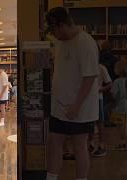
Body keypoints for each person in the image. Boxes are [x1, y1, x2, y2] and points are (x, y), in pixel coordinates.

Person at [46, 7, 99, 180]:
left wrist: (77, 105)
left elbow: (90, 77)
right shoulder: (61, 42)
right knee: (55, 142)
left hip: (80, 109)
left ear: (61, 25)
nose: (54, 35)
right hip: (59, 106)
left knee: (79, 146)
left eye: (54, 30)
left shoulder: (86, 42)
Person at [89, 63, 112, 157]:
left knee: (100, 122)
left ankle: (101, 145)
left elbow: (109, 83)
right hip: (86, 99)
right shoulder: (85, 66)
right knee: (89, 121)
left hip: (98, 98)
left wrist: (100, 89)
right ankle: (91, 143)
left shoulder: (101, 68)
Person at [99, 41, 118, 127]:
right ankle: (107, 121)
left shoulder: (98, 57)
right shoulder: (114, 59)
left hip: (100, 83)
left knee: (105, 102)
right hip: (111, 83)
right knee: (112, 102)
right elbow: (116, 72)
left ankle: (104, 120)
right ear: (111, 48)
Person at [110, 59, 127, 150]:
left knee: (120, 127)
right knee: (125, 126)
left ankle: (122, 143)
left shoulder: (117, 81)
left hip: (119, 107)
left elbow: (114, 95)